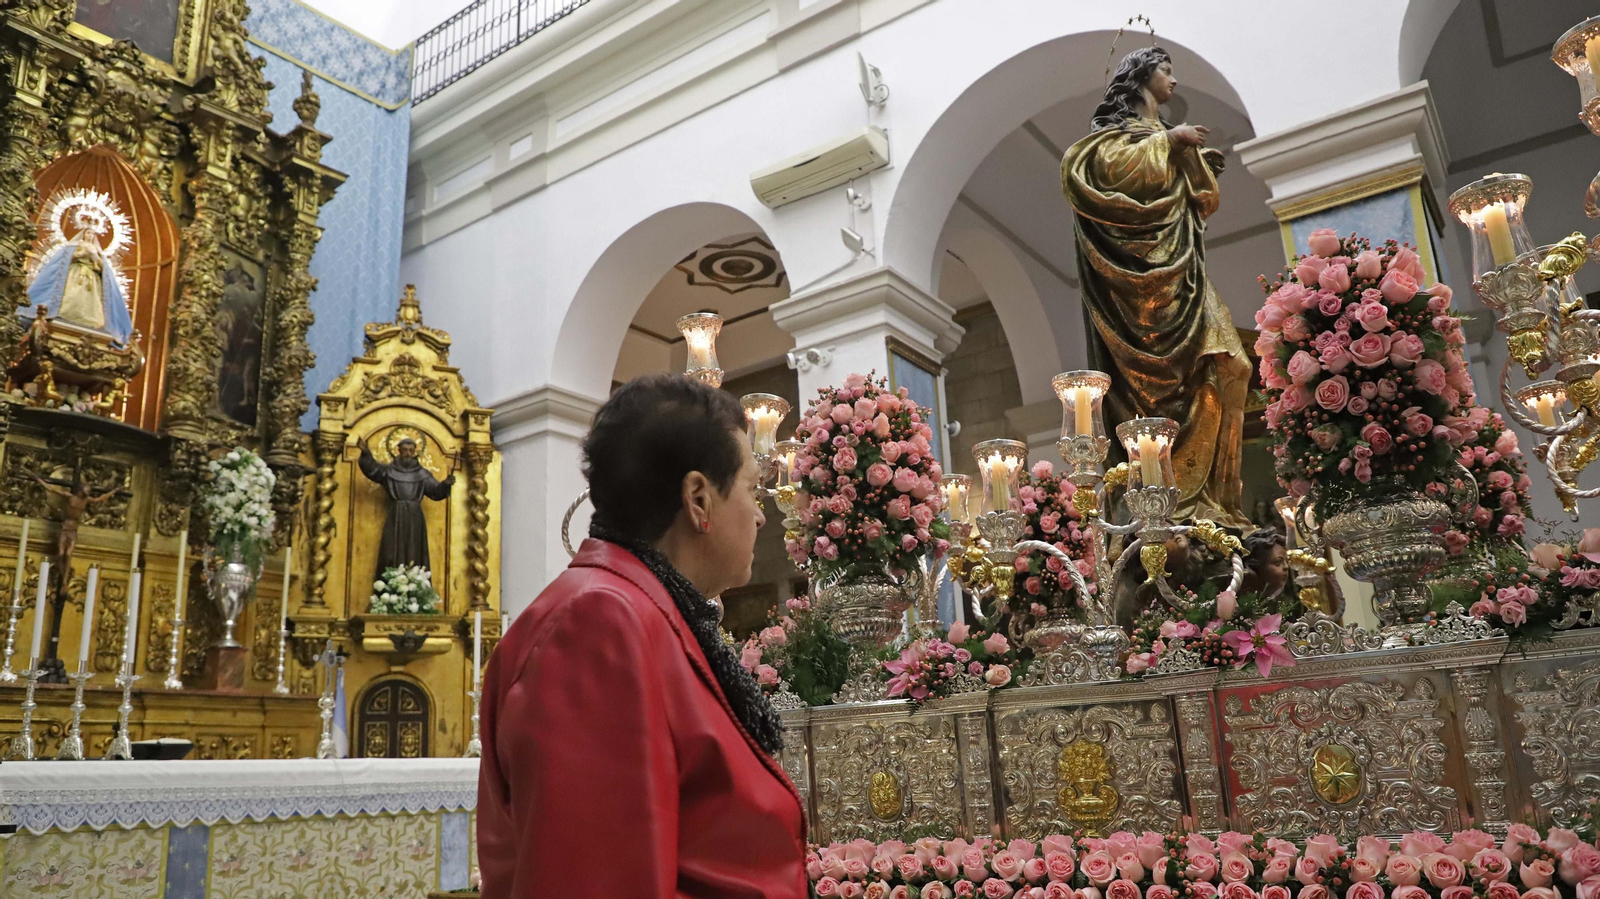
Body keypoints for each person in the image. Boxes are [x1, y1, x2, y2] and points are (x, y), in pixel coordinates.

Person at [478, 374, 805, 899]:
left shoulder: (648, 611)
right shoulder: (597, 624)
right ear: (699, 498)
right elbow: (596, 883)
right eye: (750, 488)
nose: (761, 513)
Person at [1062, 46, 1252, 529]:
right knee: (1182, 385)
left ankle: (1217, 501)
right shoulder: (1113, 138)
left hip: (1183, 269)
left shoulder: (1163, 135)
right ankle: (1167, 503)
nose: (1173, 81)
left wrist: (1191, 157)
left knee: (1234, 364)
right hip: (1143, 290)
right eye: (1166, 71)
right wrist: (1169, 144)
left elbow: (1202, 200)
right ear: (1142, 75)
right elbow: (1109, 174)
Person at [358, 435, 454, 571]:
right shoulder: (389, 471)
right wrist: (366, 452)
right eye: (405, 450)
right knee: (392, 548)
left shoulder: (422, 473)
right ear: (399, 451)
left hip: (415, 517)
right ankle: (393, 580)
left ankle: (415, 580)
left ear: (415, 452)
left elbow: (435, 491)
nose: (408, 453)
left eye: (411, 450)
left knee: (414, 548)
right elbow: (373, 469)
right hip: (396, 514)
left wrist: (446, 484)